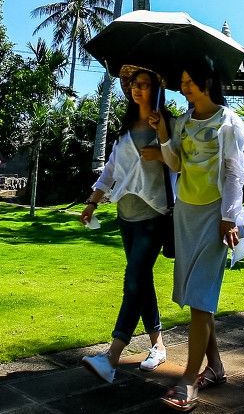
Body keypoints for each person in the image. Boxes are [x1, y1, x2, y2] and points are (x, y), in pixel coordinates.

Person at [157, 56, 244, 412]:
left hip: (215, 215)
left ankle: (190, 379)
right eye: (181, 81)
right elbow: (176, 164)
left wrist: (229, 217)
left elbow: (234, 174)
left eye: (188, 81)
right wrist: (164, 134)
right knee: (198, 298)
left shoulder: (229, 123)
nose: (183, 87)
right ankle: (217, 368)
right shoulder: (182, 123)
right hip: (186, 213)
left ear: (207, 82)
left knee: (201, 295)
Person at [78, 67, 173, 383]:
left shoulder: (166, 124)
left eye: (144, 84)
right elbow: (110, 171)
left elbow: (178, 161)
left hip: (153, 216)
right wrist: (93, 202)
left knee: (132, 280)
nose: (137, 89)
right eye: (134, 84)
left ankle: (112, 357)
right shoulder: (125, 129)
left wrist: (161, 145)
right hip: (126, 217)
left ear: (156, 89)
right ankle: (158, 345)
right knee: (141, 280)